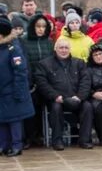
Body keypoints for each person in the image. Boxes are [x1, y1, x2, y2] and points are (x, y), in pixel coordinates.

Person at [35, 38, 93, 150]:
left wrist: (80, 96)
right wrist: (55, 96)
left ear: (70, 49)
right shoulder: (44, 64)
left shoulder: (79, 63)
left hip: (77, 98)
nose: (64, 50)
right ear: (55, 49)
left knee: (87, 106)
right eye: (61, 47)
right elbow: (42, 84)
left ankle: (85, 140)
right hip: (57, 99)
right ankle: (57, 141)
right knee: (56, 108)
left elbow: (86, 81)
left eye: (66, 48)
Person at [0, 16, 34, 156]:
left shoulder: (13, 48)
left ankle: (16, 145)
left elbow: (20, 71)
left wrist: (19, 91)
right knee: (2, 120)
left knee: (14, 120)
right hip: (1, 92)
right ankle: (3, 145)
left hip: (12, 90)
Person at [23, 15, 55, 147]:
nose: (41, 29)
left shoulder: (48, 42)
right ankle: (30, 137)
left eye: (43, 27)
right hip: (31, 81)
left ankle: (42, 135)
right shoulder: (24, 41)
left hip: (46, 81)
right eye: (38, 26)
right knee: (32, 110)